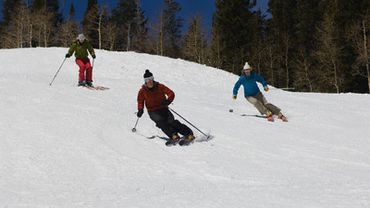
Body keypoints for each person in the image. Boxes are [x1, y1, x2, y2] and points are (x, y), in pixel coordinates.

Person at [136, 70, 195, 145]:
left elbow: (171, 93)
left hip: (163, 108)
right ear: (145, 81)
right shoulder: (142, 91)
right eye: (147, 80)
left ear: (153, 79)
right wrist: (140, 109)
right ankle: (173, 135)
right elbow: (140, 100)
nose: (149, 81)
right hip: (153, 111)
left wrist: (168, 101)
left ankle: (188, 134)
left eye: (151, 79)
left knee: (172, 122)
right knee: (161, 122)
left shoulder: (160, 86)